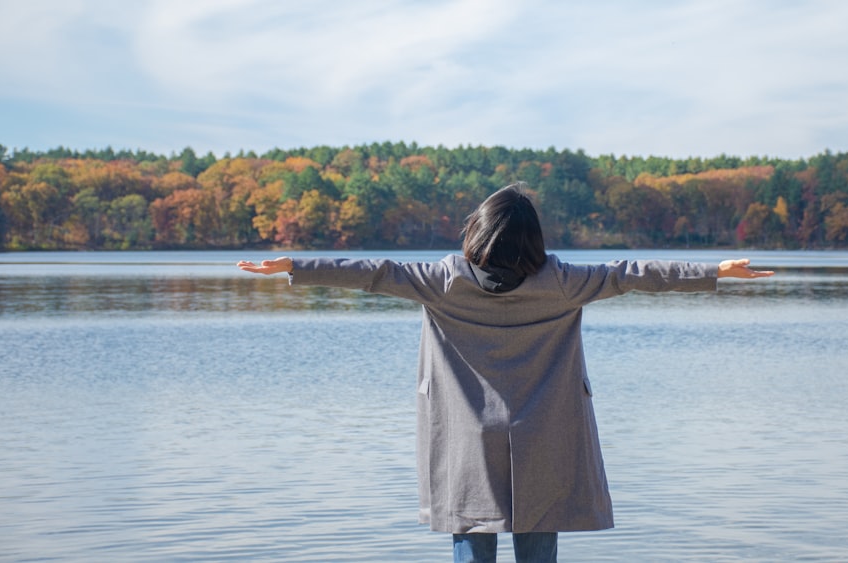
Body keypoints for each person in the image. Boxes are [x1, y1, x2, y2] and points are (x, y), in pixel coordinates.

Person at [238, 183, 773, 563]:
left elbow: (375, 273)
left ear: (479, 231)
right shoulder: (561, 280)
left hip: (465, 435)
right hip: (545, 432)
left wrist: (296, 265)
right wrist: (712, 270)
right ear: (531, 239)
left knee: (472, 535)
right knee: (538, 541)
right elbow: (630, 274)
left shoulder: (444, 280)